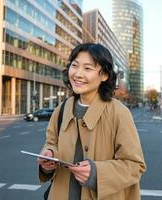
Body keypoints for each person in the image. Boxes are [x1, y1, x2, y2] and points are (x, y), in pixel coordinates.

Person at [38, 43, 146, 200]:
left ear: (104, 75)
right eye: (74, 66)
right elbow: (51, 143)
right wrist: (49, 156)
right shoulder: (61, 109)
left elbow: (135, 165)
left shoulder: (119, 113)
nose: (78, 74)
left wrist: (96, 173)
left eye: (88, 68)